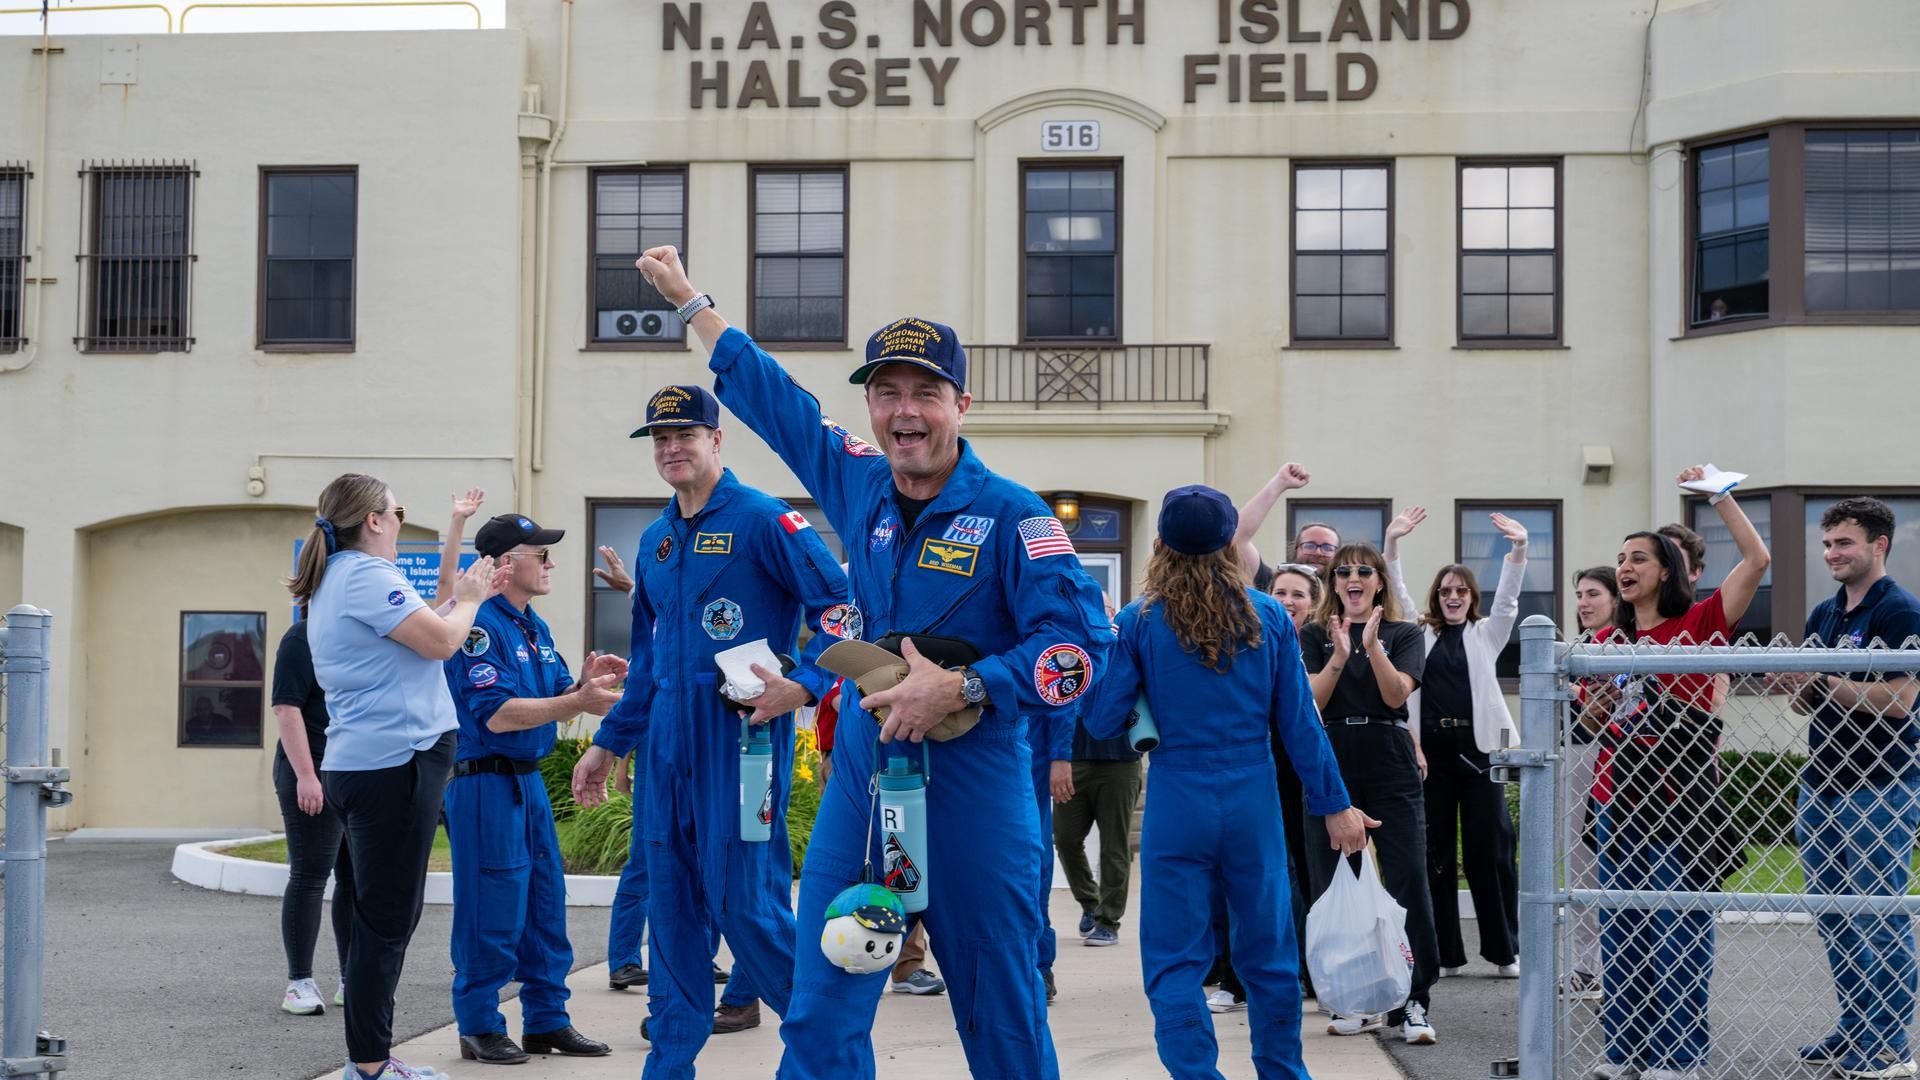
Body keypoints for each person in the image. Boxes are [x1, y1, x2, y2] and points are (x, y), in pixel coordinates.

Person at [634, 245, 1111, 1079]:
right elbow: (778, 405)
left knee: (1000, 1016)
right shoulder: (858, 483)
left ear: (962, 403)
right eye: (886, 393)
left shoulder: (1015, 519)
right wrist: (687, 301)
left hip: (973, 784)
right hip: (864, 776)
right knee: (819, 1012)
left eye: (925, 391)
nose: (904, 411)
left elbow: (1078, 655)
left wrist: (964, 685)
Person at [571, 383, 850, 1073]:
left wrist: (806, 683)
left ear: (716, 441)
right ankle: (669, 1064)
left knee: (744, 903)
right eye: (660, 439)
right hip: (666, 745)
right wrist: (610, 743)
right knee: (670, 908)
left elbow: (844, 609)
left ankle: (831, 1048)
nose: (671, 448)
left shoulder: (766, 521)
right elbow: (648, 662)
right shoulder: (656, 540)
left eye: (685, 435)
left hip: (742, 741)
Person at [1082, 485, 1375, 1080]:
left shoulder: (1138, 620)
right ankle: (1283, 1072)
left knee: (1174, 959)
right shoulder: (1268, 613)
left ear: (1160, 544)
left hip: (1177, 797)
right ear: (1229, 546)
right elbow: (1299, 725)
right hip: (1251, 797)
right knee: (1268, 955)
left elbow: (1102, 719)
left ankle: (1197, 1074)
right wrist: (1335, 805)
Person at [288, 472, 505, 1080]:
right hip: (395, 765)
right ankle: (371, 1065)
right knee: (387, 923)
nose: (400, 519)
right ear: (375, 521)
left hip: (365, 764)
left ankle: (371, 1058)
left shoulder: (334, 579)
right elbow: (441, 643)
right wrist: (472, 599)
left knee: (374, 917)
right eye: (396, 511)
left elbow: (422, 625)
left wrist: (459, 594)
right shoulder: (364, 575)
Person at [1579, 465, 1770, 1080]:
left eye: (1639, 557)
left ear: (1668, 570)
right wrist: (1598, 703)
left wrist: (1719, 496)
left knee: (1680, 937)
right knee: (1623, 936)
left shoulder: (1699, 624)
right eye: (1620, 559)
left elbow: (1757, 558)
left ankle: (1678, 1059)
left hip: (1681, 804)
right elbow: (1590, 717)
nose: (1625, 566)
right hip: (1618, 802)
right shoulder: (1606, 642)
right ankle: (1625, 1054)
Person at [442, 514, 623, 1064]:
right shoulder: (477, 626)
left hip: (527, 784)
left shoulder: (531, 626)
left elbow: (553, 698)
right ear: (502, 563)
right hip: (483, 786)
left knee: (545, 906)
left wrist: (583, 685)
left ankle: (547, 1020)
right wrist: (576, 702)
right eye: (538, 554)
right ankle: (479, 1024)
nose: (550, 563)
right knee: (491, 909)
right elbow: (496, 715)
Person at [1776, 497, 1920, 1079]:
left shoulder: (1900, 612)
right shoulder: (1824, 614)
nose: (1832, 553)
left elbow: (1899, 701)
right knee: (1833, 913)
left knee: (1876, 913)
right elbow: (1807, 700)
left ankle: (1889, 1046)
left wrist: (1826, 682)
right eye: (1828, 543)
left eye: (1844, 543)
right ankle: (1856, 1025)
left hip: (1880, 785)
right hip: (1822, 782)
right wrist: (1796, 685)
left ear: (1878, 545)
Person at [1298, 541, 1439, 1045]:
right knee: (1335, 877)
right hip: (1331, 753)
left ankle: (1414, 999)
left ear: (1379, 580)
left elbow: (1397, 694)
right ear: (1333, 583)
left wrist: (1372, 645)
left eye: (1363, 571)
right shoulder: (1315, 634)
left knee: (1407, 878)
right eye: (1342, 572)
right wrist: (1339, 654)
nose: (1352, 579)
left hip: (1389, 752)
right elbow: (1312, 698)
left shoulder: (1404, 633)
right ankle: (1353, 998)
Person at [588, 545, 740, 1000]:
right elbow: (642, 690)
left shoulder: (718, 612)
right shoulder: (663, 614)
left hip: (702, 746)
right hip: (658, 743)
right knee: (644, 859)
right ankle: (625, 961)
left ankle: (698, 953)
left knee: (705, 854)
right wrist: (620, 762)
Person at [1384, 507, 1528, 979]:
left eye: (1460, 590)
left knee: (1492, 852)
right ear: (1436, 597)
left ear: (1470, 597)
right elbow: (1398, 595)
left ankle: (1504, 950)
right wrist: (1393, 543)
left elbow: (1508, 602)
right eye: (1445, 591)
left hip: (1481, 753)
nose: (1452, 596)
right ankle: (1445, 953)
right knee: (1436, 855)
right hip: (1430, 757)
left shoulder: (1487, 634)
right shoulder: (1418, 634)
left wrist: (1519, 550)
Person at [1208, 564, 1324, 1014]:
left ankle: (1299, 972)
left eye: (1298, 594)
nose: (1288, 600)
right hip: (1255, 770)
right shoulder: (1250, 639)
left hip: (1302, 776)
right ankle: (1238, 978)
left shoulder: (1315, 646)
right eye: (1280, 592)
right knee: (1247, 876)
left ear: (1312, 604)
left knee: (1299, 879)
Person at [271, 616, 351, 1017]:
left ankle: (350, 978)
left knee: (354, 880)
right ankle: (298, 982)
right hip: (311, 767)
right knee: (310, 874)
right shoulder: (302, 636)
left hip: (352, 769)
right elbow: (287, 708)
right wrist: (306, 776)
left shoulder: (361, 630)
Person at [1055, 594, 1144, 954]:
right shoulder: (1066, 650)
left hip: (1120, 760)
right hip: (1073, 760)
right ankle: (1090, 902)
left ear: (1112, 612)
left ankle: (1108, 921)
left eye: (1104, 607)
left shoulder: (1126, 646)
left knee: (1114, 846)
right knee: (1065, 838)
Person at [1563, 566, 1619, 1002]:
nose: (1583, 602)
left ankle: (1609, 966)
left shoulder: (1625, 646)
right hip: (1577, 756)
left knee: (1606, 867)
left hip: (1609, 759)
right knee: (1579, 863)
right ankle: (1587, 964)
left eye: (1593, 594)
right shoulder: (1582, 648)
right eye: (1580, 594)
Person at [1231, 461, 1313, 589]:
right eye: (1310, 545)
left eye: (1327, 547)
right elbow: (1235, 540)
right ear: (1295, 549)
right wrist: (1280, 482)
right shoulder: (1274, 584)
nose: (1318, 552)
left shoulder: (1345, 596)